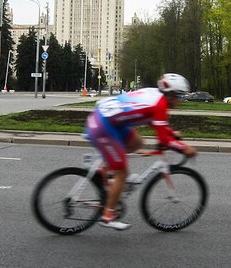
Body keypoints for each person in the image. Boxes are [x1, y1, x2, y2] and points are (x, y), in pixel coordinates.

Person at [84, 73, 198, 230]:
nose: (181, 101)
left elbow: (151, 119)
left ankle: (103, 170)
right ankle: (108, 216)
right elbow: (164, 141)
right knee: (122, 174)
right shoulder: (161, 104)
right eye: (180, 96)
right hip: (104, 126)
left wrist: (170, 132)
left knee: (137, 142)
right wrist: (185, 148)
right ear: (171, 94)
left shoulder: (156, 95)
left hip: (111, 121)